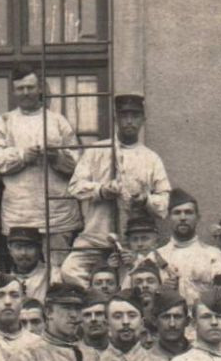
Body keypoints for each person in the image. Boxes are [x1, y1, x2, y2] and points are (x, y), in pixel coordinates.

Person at [64, 93, 170, 287]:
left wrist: (145, 200)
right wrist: (101, 190)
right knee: (69, 272)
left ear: (143, 119)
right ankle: (98, 300)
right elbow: (75, 187)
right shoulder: (97, 150)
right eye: (124, 116)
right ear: (116, 118)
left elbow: (163, 204)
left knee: (129, 283)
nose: (129, 121)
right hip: (95, 237)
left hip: (133, 241)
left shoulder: (150, 158)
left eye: (135, 116)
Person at [0, 65, 81, 251]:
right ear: (13, 92)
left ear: (40, 89)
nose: (26, 92)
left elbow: (78, 162)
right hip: (20, 211)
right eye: (20, 88)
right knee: (24, 266)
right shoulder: (4, 121)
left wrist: (57, 157)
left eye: (30, 87)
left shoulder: (57, 121)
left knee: (57, 268)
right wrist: (22, 156)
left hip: (57, 211)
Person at [155, 189, 221, 307]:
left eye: (188, 212)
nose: (183, 217)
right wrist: (161, 290)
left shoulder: (213, 255)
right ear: (168, 218)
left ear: (198, 217)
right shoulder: (158, 256)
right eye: (177, 213)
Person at [3, 226, 51, 303]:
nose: (23, 253)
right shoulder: (3, 280)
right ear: (10, 250)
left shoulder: (52, 276)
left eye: (30, 247)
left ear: (39, 249)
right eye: (18, 247)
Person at [153, 288, 193, 354]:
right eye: (166, 317)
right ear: (154, 321)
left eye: (177, 317)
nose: (172, 324)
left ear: (187, 321)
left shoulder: (202, 357)